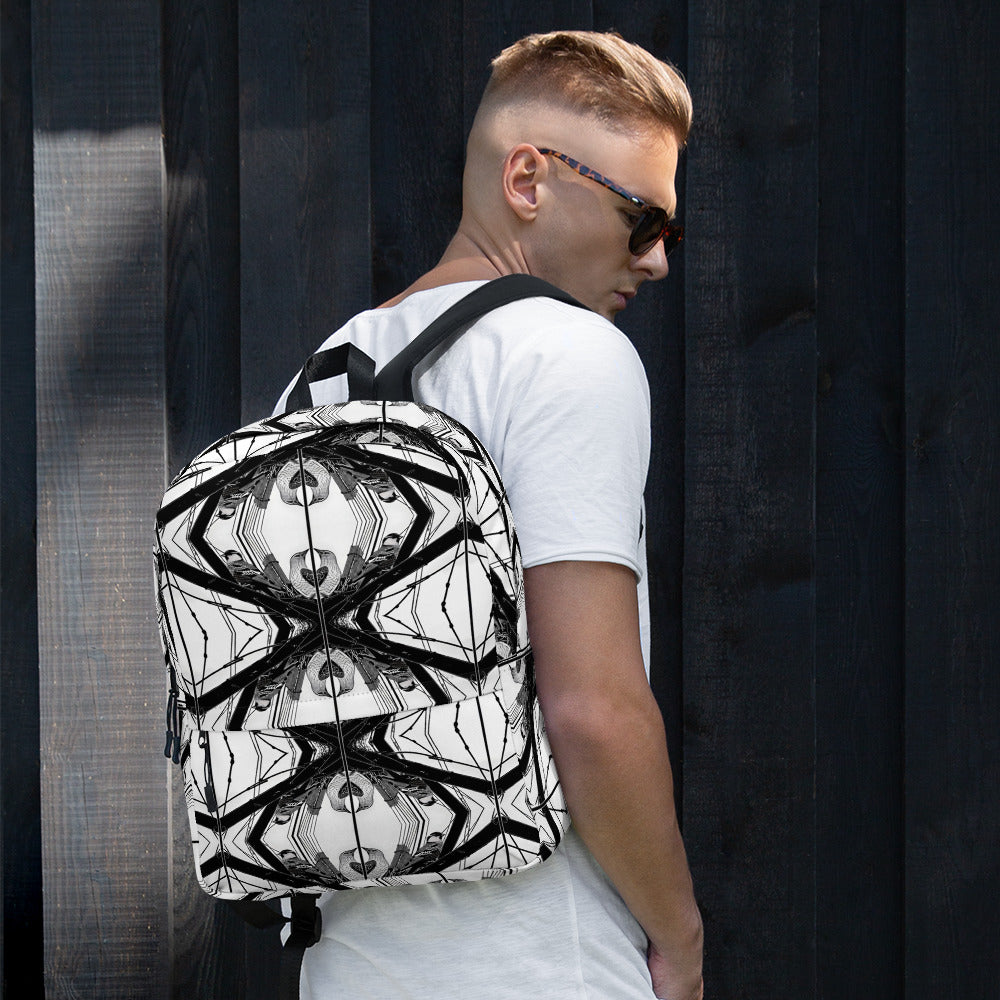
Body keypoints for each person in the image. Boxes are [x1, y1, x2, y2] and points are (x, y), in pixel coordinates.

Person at [274, 29, 703, 1000]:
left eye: (667, 234)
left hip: (348, 967)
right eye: (643, 220)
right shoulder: (567, 352)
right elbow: (590, 707)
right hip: (540, 963)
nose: (657, 261)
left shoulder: (320, 377)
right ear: (527, 179)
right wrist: (681, 937)